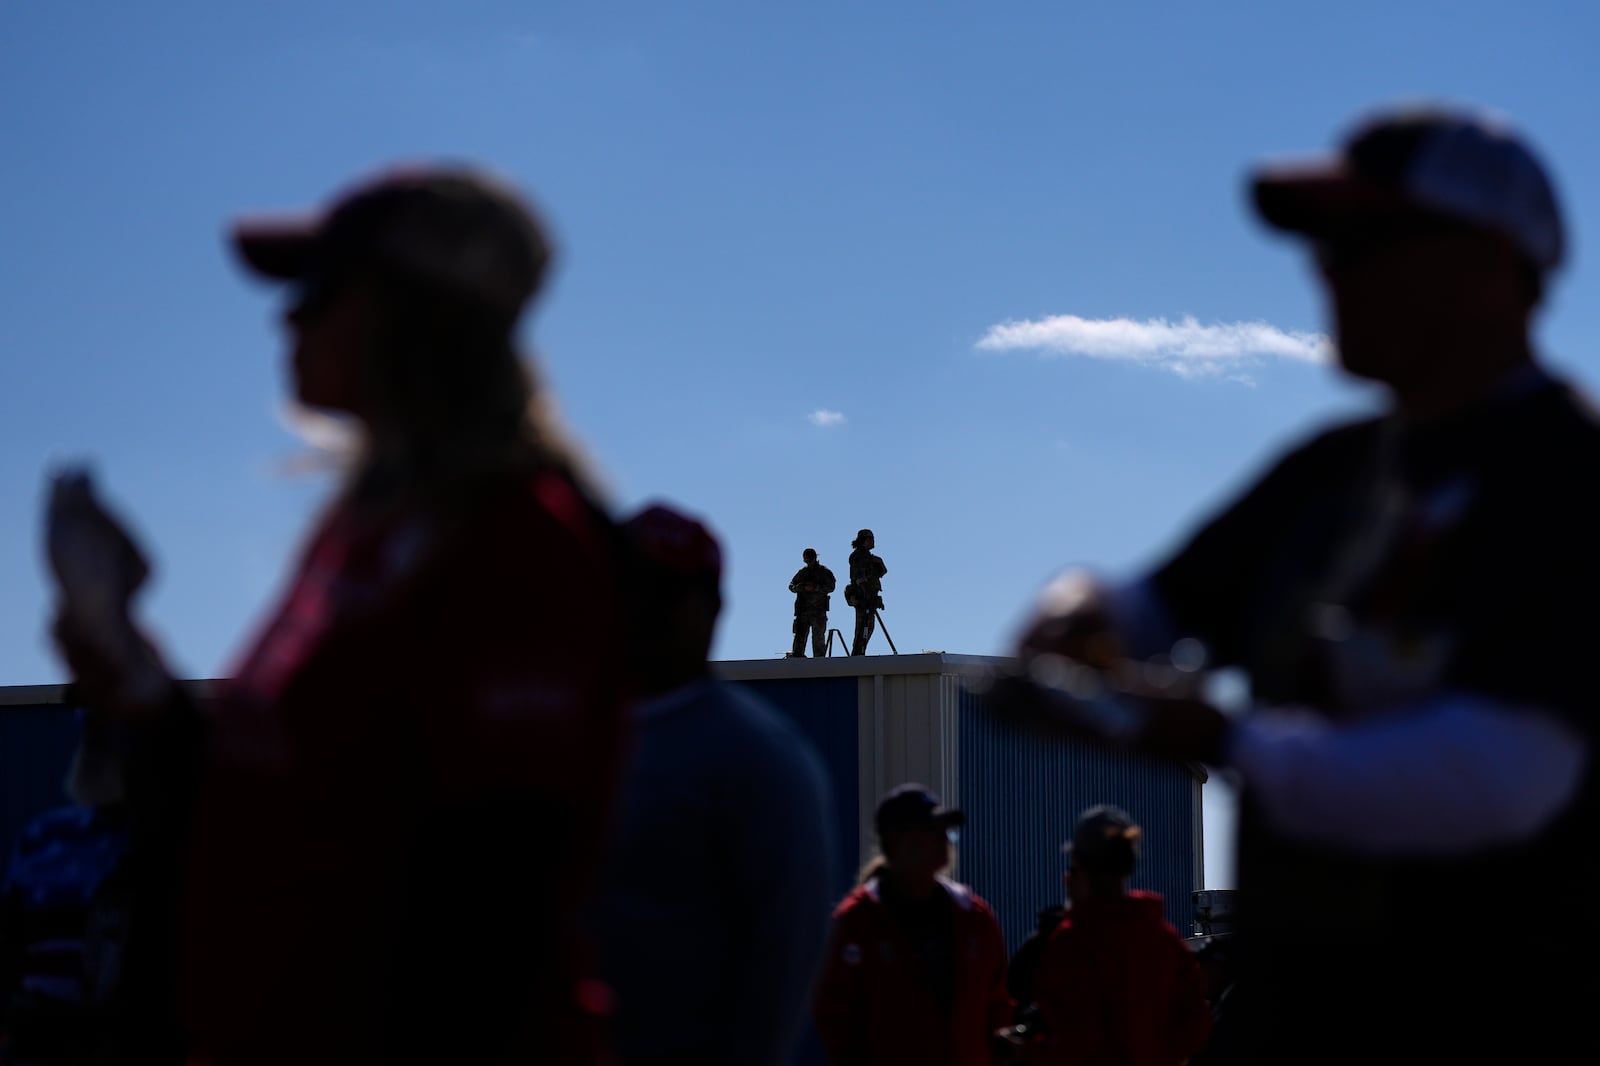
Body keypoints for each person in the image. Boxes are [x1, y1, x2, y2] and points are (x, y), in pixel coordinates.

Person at [1003, 101, 1600, 1063]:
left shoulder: (1568, 480)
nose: (1325, 268)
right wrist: (1075, 611)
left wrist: (1215, 735)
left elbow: (1500, 775)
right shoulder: (1332, 470)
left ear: (1490, 267)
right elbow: (1151, 599)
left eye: (1364, 239)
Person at [47, 164, 636, 1065]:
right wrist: (139, 688)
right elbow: (288, 801)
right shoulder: (369, 533)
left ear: (413, 315)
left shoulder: (515, 539)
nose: (287, 317)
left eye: (320, 290)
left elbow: (490, 905)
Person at [588, 501, 836, 1066]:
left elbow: (784, 948)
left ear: (707, 608)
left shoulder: (756, 755)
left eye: (660, 593)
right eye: (621, 587)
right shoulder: (565, 730)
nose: (636, 610)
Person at [811, 783, 1012, 1066]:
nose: (943, 840)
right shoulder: (857, 923)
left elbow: (997, 1008)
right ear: (896, 842)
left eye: (947, 831)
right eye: (931, 831)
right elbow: (835, 1022)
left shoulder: (975, 918)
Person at [1024, 805, 1212, 1066]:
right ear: (1128, 866)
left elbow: (1071, 1042)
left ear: (1079, 866)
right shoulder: (1164, 940)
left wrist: (1025, 1051)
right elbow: (1195, 1023)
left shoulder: (1072, 942)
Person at [788, 547, 838, 658]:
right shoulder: (802, 573)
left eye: (810, 559)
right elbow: (791, 586)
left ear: (815, 558)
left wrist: (815, 588)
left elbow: (831, 587)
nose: (808, 561)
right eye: (806, 559)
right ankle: (797, 656)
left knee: (818, 638)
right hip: (803, 611)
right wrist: (799, 587)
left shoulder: (824, 572)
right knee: (800, 636)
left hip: (818, 611)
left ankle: (819, 660)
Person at [846, 528, 888, 656]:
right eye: (870, 539)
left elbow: (882, 572)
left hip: (871, 596)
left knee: (869, 627)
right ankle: (858, 653)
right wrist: (866, 594)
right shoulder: (858, 556)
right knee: (862, 627)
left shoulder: (870, 557)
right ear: (863, 541)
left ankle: (860, 651)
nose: (872, 541)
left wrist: (879, 562)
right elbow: (858, 577)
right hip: (863, 597)